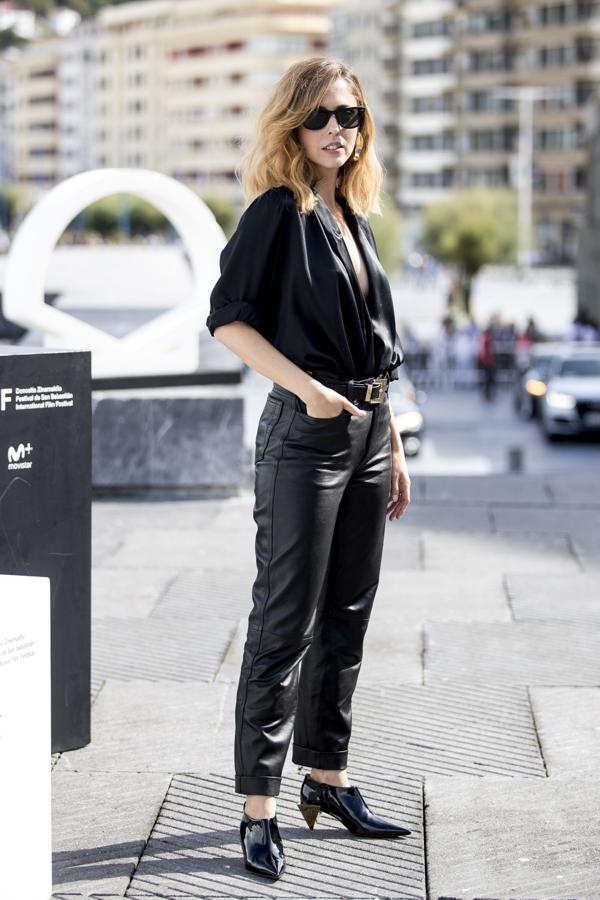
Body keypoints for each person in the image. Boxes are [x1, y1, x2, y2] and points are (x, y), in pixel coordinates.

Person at [206, 56, 412, 881]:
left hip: (367, 436)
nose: (339, 130)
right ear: (294, 122)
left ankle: (328, 780)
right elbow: (228, 321)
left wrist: (391, 446)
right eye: (324, 115)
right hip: (305, 436)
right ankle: (258, 810)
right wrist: (313, 393)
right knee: (283, 622)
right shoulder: (277, 213)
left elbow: (378, 351)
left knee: (349, 618)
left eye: (352, 117)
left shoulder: (351, 216)